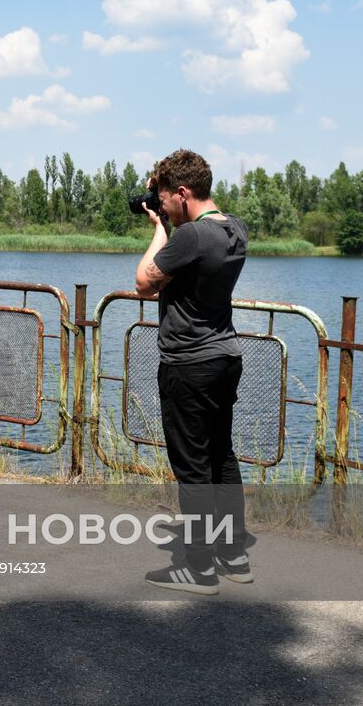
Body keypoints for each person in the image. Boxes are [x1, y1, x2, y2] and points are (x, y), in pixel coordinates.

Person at [134, 148, 250, 595]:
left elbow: (144, 283)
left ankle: (198, 568)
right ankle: (233, 555)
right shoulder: (234, 229)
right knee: (222, 458)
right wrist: (162, 205)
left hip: (188, 364)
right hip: (225, 357)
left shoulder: (190, 237)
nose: (159, 206)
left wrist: (160, 230)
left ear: (182, 194)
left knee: (193, 469)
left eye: (163, 198)